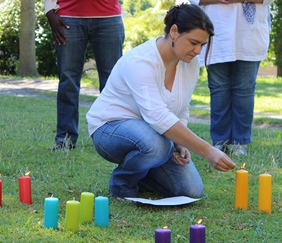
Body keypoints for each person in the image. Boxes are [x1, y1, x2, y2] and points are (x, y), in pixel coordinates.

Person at [86, 3, 236, 199]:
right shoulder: (141, 62)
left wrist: (180, 144)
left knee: (191, 190)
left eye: (202, 45)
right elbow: (158, 117)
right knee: (157, 145)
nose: (198, 50)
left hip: (154, 136)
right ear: (174, 31)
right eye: (193, 42)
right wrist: (207, 150)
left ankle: (142, 173)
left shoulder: (190, 65)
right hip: (109, 129)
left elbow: (181, 109)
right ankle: (122, 183)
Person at [43, 0, 125, 150]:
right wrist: (49, 12)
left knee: (113, 81)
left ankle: (114, 139)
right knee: (68, 79)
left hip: (109, 16)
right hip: (68, 16)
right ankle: (65, 140)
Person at [197, 0, 273, 155]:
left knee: (244, 90)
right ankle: (220, 143)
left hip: (249, 36)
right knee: (218, 89)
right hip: (217, 34)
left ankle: (240, 144)